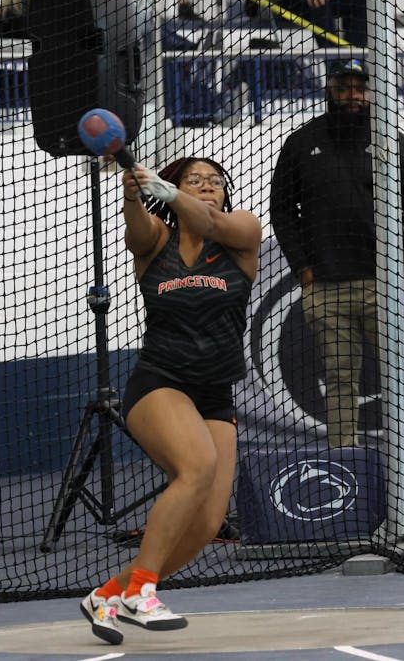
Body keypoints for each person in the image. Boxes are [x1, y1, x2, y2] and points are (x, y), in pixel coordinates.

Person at [79, 157, 261, 645]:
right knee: (196, 466)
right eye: (194, 181)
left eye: (216, 182)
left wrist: (167, 189)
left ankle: (109, 594)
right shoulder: (156, 241)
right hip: (160, 382)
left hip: (214, 393)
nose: (208, 188)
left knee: (204, 525)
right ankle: (142, 592)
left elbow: (208, 221)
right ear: (173, 189)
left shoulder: (241, 232)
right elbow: (137, 233)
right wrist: (135, 192)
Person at [269, 58, 404, 459]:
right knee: (341, 381)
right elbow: (281, 211)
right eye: (343, 88)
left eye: (360, 88)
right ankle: (346, 465)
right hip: (326, 285)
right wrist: (303, 268)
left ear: (372, 93)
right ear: (329, 89)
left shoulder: (394, 144)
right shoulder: (300, 142)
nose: (353, 96)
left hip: (388, 285)